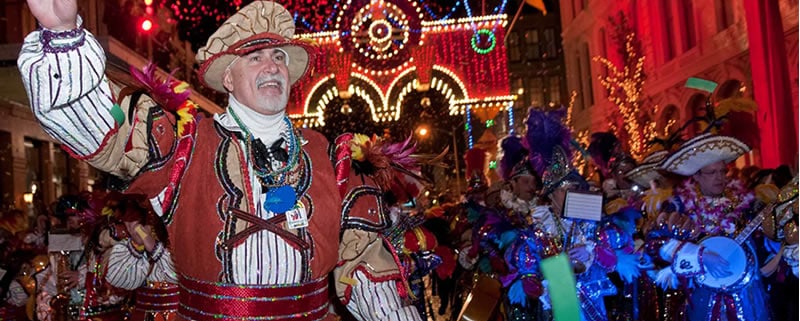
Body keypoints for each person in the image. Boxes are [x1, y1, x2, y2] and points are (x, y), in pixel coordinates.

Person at [18, 1, 422, 320]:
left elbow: (370, 272)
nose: (272, 66)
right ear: (227, 78)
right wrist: (62, 36)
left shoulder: (332, 157)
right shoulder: (185, 145)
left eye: (279, 57)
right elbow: (99, 132)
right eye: (256, 57)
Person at [650, 133, 770, 321]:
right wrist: (700, 256)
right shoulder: (678, 205)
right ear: (696, 175)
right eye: (712, 172)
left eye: (723, 171)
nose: (720, 177)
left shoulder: (746, 202)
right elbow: (655, 243)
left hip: (745, 292)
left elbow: (768, 237)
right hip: (701, 294)